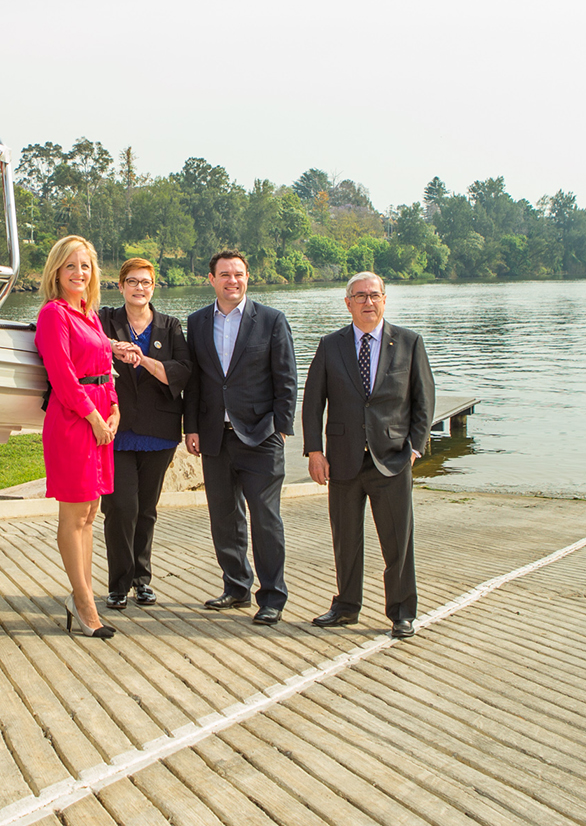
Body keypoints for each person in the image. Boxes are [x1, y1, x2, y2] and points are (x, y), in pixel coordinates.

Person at [302, 272, 431, 639]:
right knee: (345, 540)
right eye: (359, 296)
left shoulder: (408, 342)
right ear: (348, 303)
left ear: (385, 299)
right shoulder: (330, 345)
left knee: (398, 542)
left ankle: (402, 612)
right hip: (341, 461)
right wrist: (315, 451)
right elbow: (313, 403)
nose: (367, 302)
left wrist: (416, 446)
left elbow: (424, 400)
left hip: (391, 459)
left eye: (374, 295)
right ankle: (346, 607)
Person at [183, 249, 297, 625]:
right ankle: (236, 588)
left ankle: (272, 597)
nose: (233, 280)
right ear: (211, 279)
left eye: (239, 274)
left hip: (261, 436)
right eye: (225, 275)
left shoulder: (271, 320)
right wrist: (192, 427)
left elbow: (286, 379)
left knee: (266, 520)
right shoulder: (197, 322)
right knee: (225, 518)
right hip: (216, 437)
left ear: (248, 277)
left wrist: (281, 428)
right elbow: (196, 381)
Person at [33, 236, 121, 638]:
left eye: (84, 266)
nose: (79, 273)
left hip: (100, 416)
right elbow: (63, 376)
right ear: (56, 271)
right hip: (73, 421)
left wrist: (115, 408)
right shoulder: (54, 314)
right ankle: (85, 603)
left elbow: (104, 363)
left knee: (90, 513)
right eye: (71, 266)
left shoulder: (90, 313)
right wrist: (93, 418)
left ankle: (81, 594)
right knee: (73, 515)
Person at [98, 257, 191, 610]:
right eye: (132, 282)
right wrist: (114, 347)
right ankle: (118, 584)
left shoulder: (170, 327)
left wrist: (143, 360)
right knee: (121, 507)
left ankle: (142, 580)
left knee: (147, 509)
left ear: (154, 287)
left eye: (146, 283)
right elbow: (85, 339)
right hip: (115, 428)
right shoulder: (106, 320)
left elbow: (181, 373)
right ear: (120, 286)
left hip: (159, 430)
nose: (140, 288)